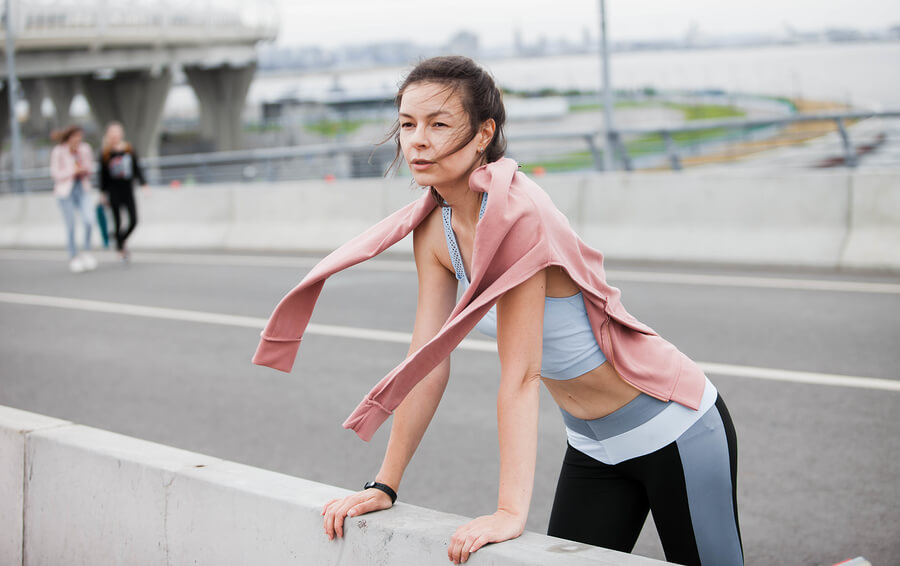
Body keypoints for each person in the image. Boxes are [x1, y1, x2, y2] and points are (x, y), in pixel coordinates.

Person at [253, 56, 743, 566]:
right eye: (406, 124)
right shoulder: (434, 228)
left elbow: (522, 374)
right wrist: (384, 485)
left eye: (438, 124)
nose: (417, 140)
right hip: (595, 447)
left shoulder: (517, 215)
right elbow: (426, 362)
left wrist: (510, 511)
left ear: (484, 132)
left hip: (676, 427)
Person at [50, 125, 97, 273]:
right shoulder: (59, 151)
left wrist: (85, 169)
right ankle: (73, 256)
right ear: (69, 137)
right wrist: (73, 170)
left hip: (82, 188)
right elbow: (55, 174)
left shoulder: (85, 149)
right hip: (65, 192)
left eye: (80, 136)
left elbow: (91, 167)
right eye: (75, 136)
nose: (78, 139)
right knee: (71, 225)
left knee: (89, 221)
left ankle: (87, 252)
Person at [99, 121, 146, 261]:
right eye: (112, 133)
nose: (115, 135)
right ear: (108, 135)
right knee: (117, 220)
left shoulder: (129, 149)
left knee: (134, 220)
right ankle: (121, 248)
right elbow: (103, 175)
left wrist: (144, 183)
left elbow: (137, 168)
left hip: (128, 189)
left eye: (117, 132)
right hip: (113, 191)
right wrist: (102, 193)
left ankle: (120, 241)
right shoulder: (106, 153)